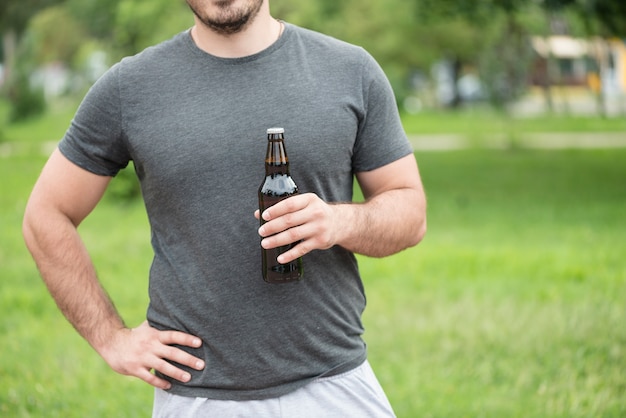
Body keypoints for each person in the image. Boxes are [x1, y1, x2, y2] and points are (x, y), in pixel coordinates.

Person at [22, 0, 427, 416]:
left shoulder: (350, 70)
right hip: (199, 395)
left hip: (333, 386)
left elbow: (409, 211)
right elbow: (46, 215)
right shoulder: (131, 87)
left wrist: (339, 221)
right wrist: (110, 338)